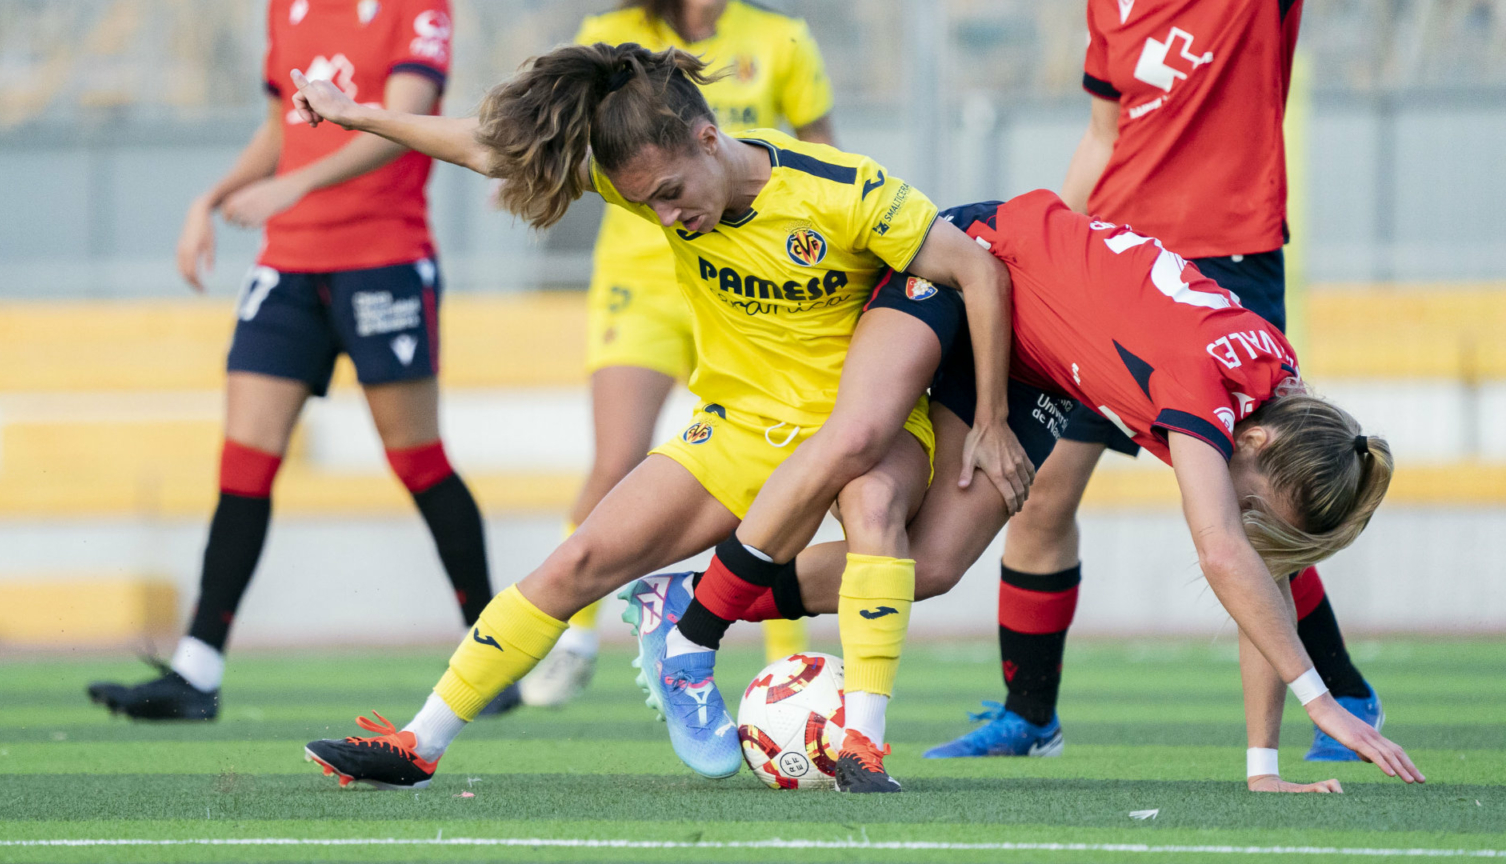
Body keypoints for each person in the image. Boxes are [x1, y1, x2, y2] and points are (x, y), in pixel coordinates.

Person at [288, 42, 1028, 792]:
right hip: (740, 426)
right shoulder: (646, 180)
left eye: (672, 193)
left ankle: (862, 747)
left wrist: (993, 421)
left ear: (709, 138)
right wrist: (359, 114)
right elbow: (489, 149)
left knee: (875, 510)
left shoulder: (844, 191)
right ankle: (419, 744)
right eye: (649, 205)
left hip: (862, 424)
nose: (668, 216)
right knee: (577, 563)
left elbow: (978, 271)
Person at [669, 192, 1424, 792]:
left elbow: (1260, 569)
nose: (1244, 515)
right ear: (1256, 444)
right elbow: (1224, 552)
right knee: (862, 458)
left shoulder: (1281, 396)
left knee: (930, 566)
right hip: (974, 263)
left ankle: (683, 600)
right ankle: (701, 616)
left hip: (1037, 360)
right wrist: (1320, 699)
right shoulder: (1203, 380)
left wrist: (1265, 768)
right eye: (1254, 501)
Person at [924, 0, 1384, 763]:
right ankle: (1029, 713)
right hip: (1117, 269)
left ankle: (1341, 692)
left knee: (1257, 505)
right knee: (1040, 490)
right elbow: (1103, 136)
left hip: (1224, 269)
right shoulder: (1109, 7)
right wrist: (1051, 257)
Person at [86, 0, 516, 720]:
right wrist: (210, 198)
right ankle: (197, 670)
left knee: (418, 461)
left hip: (384, 259)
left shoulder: (418, 9)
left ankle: (494, 653)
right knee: (244, 462)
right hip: (287, 264)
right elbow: (277, 130)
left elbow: (406, 120)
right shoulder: (287, 9)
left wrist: (299, 182)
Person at [521, 0, 840, 710]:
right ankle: (574, 639)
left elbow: (821, 152)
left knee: (785, 469)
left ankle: (784, 661)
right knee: (615, 461)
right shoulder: (609, 37)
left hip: (746, 282)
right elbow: (558, 145)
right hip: (641, 283)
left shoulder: (782, 39)